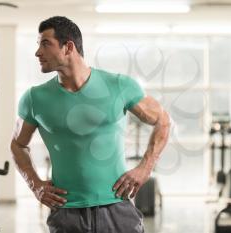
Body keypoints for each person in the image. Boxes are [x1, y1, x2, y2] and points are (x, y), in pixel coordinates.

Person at [10, 16, 170, 233]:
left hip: (117, 208)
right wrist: (35, 185)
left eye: (45, 43)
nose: (38, 52)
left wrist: (144, 168)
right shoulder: (34, 98)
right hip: (66, 213)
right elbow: (17, 145)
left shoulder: (119, 86)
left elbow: (163, 121)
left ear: (68, 47)